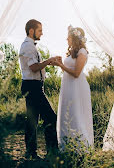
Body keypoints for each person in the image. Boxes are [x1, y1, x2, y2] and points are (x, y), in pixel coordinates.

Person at [19, 19, 60, 159]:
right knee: (50, 118)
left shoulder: (29, 46)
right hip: (32, 87)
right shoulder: (28, 47)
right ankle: (52, 153)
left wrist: (49, 63)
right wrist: (49, 61)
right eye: (40, 30)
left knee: (32, 121)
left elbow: (36, 66)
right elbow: (34, 67)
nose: (42, 33)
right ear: (31, 31)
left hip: (32, 85)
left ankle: (31, 154)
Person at [54, 25, 94, 152]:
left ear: (75, 38)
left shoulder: (82, 52)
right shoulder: (72, 52)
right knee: (68, 114)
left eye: (69, 37)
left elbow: (76, 73)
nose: (66, 39)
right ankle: (67, 147)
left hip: (77, 88)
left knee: (76, 114)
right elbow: (69, 67)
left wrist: (60, 65)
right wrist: (62, 62)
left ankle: (80, 148)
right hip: (68, 87)